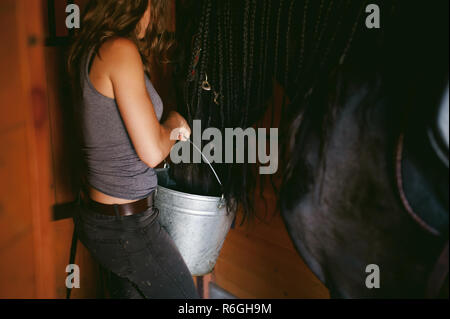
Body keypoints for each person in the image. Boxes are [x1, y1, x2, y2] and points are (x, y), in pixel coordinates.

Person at [67, 0, 198, 299]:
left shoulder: (89, 47)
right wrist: (175, 124)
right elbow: (152, 152)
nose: (154, 17)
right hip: (126, 227)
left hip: (103, 216)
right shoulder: (119, 50)